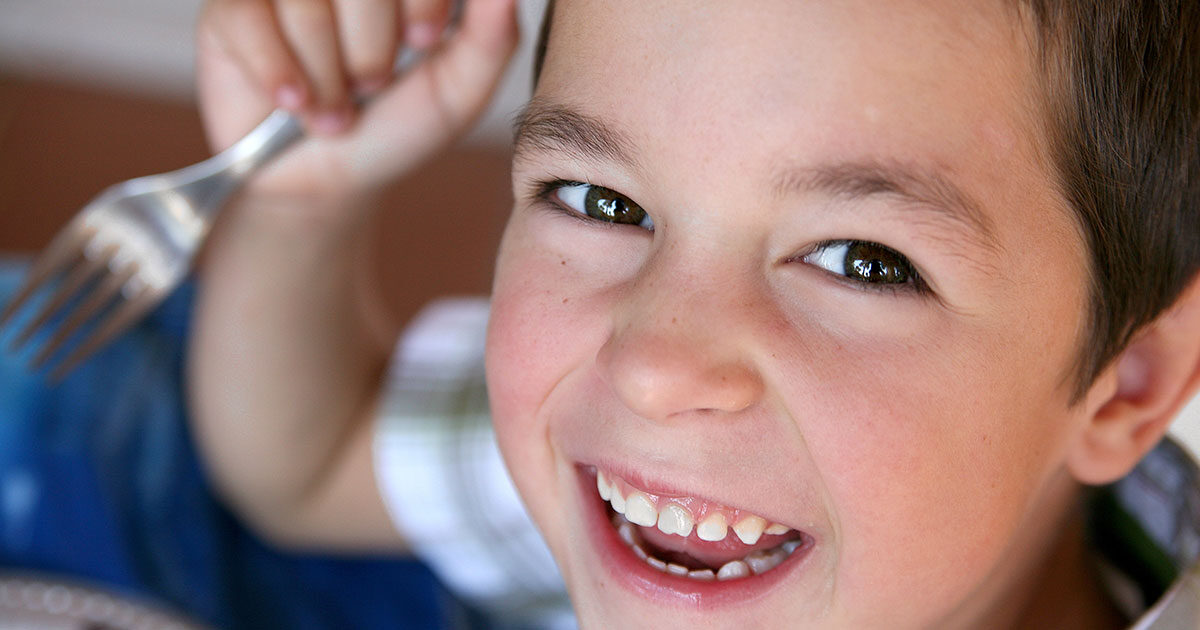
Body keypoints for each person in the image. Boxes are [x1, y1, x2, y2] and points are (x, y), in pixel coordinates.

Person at [190, 0, 1200, 628]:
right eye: (601, 201)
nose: (655, 367)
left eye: (860, 263)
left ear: (1129, 385)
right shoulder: (655, 493)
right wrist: (299, 202)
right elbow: (305, 462)